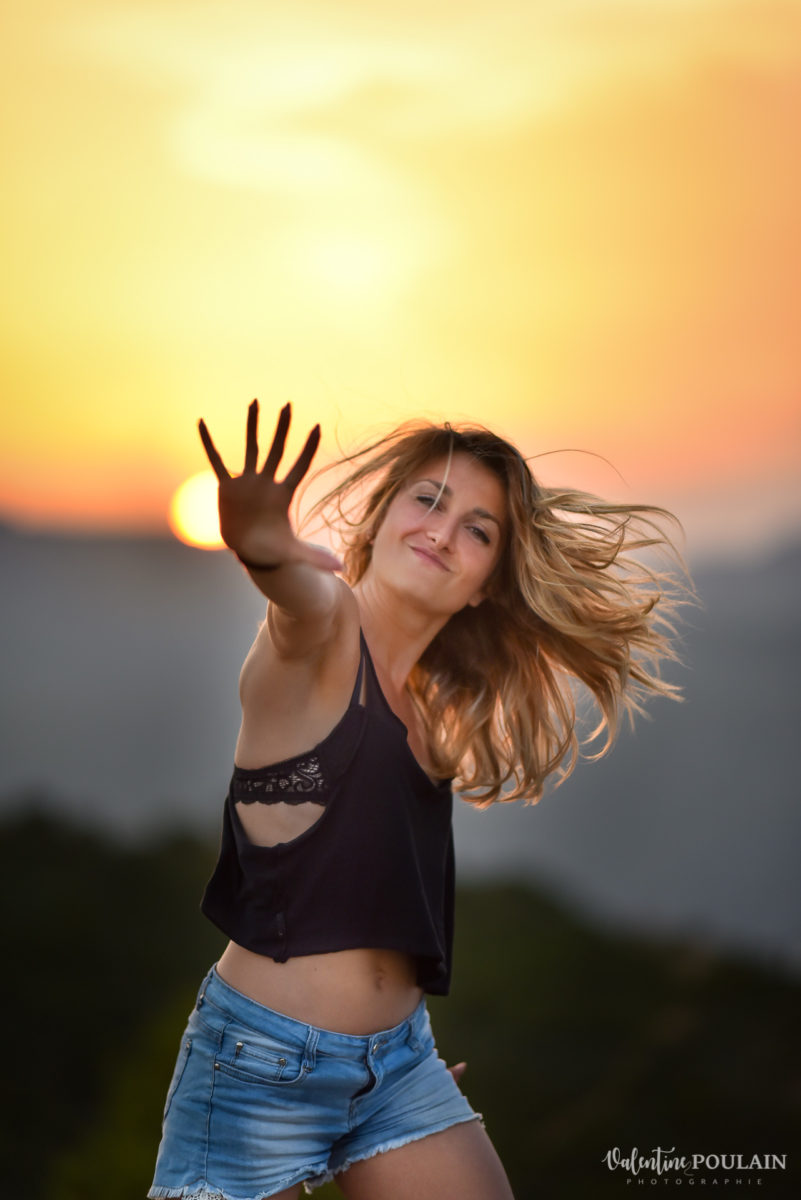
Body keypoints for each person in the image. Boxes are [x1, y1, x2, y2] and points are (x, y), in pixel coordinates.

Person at [149, 400, 692, 1200]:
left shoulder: (430, 722)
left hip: (398, 1071)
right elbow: (297, 601)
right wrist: (262, 547)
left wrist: (385, 1051)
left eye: (478, 529)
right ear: (375, 523)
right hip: (259, 1069)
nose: (443, 531)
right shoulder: (324, 636)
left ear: (484, 587)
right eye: (428, 501)